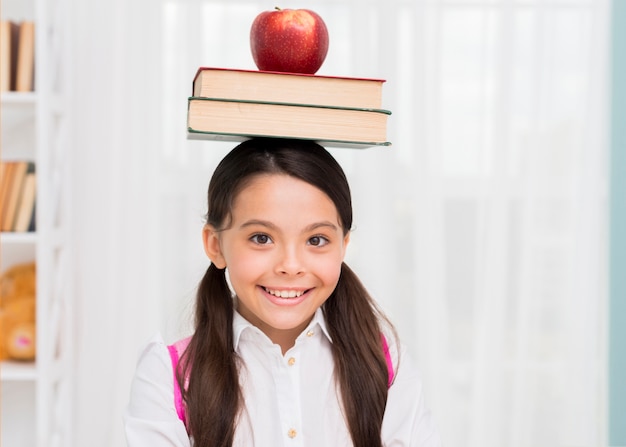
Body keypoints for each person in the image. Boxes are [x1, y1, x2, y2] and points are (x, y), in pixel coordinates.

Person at [124, 138, 441, 447]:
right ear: (215, 245)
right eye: (262, 238)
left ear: (343, 246)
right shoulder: (166, 377)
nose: (291, 266)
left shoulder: (387, 366)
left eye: (316, 240)